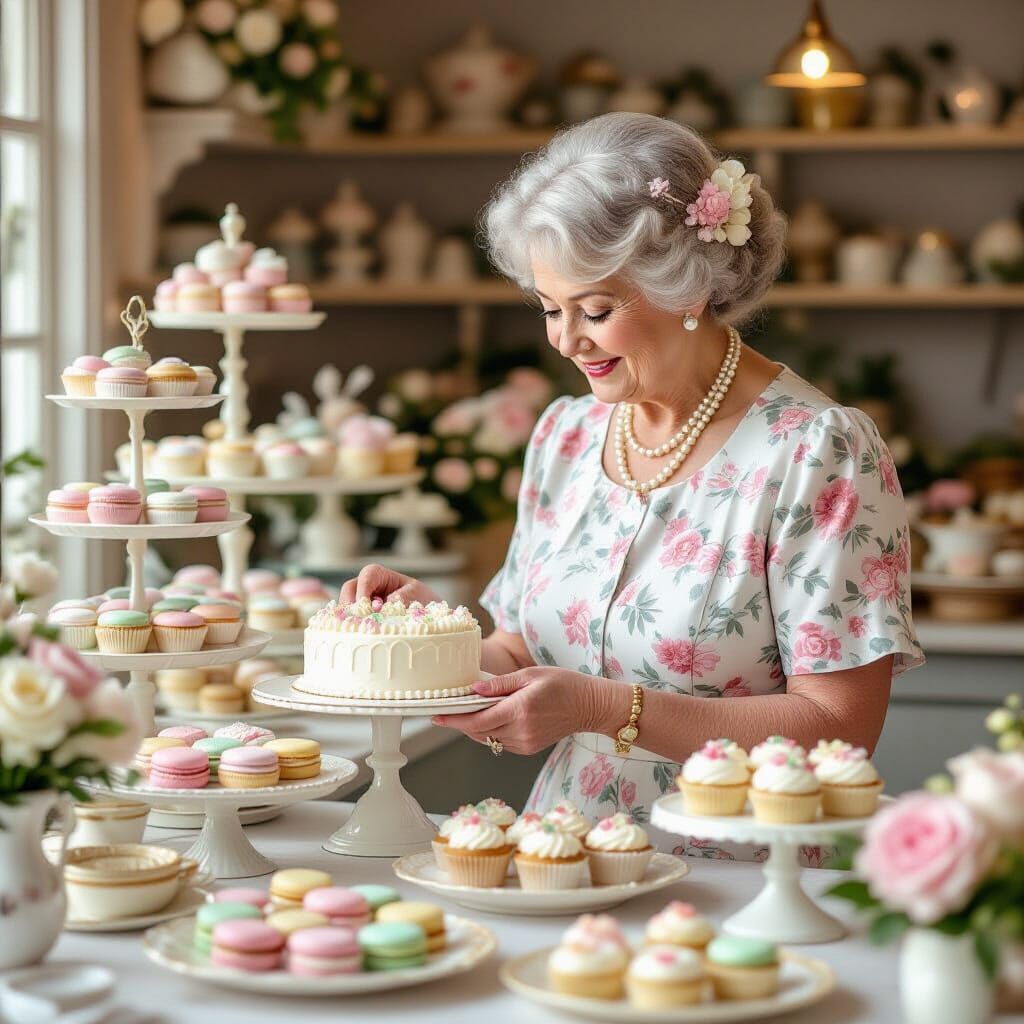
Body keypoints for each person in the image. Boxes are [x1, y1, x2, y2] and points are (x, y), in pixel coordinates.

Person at [340, 113, 923, 856]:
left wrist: (602, 708)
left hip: (745, 869)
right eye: (550, 308)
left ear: (686, 288)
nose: (565, 339)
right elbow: (521, 654)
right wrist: (435, 639)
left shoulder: (816, 452)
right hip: (569, 854)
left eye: (596, 310)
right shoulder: (567, 437)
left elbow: (839, 729)